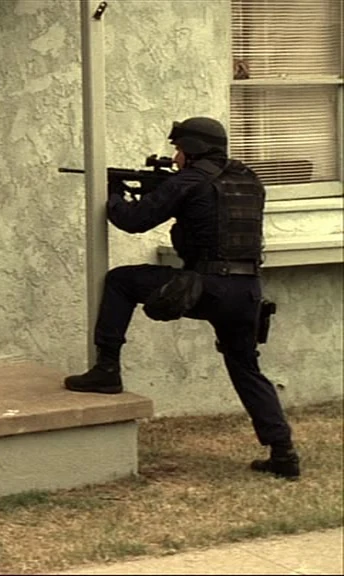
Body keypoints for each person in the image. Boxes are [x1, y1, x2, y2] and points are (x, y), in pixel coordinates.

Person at [63, 117, 300, 479]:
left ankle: (106, 370)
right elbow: (212, 216)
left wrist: (113, 194)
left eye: (178, 150)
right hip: (247, 290)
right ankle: (283, 452)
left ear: (193, 149)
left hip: (206, 287)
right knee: (246, 368)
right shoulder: (248, 179)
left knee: (120, 281)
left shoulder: (189, 180)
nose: (174, 158)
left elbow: (134, 220)